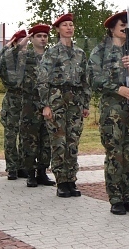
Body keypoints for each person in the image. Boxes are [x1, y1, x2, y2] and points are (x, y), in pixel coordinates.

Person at [88, 11, 129, 215]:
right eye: (122, 25)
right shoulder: (100, 51)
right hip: (113, 109)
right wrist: (118, 88)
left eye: (128, 25)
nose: (126, 28)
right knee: (115, 153)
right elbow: (93, 78)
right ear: (112, 28)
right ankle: (115, 199)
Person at [37, 13, 91, 198]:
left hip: (75, 102)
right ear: (58, 29)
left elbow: (85, 80)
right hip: (56, 100)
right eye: (65, 25)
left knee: (72, 142)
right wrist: (46, 105)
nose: (69, 27)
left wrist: (85, 103)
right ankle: (61, 181)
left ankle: (71, 180)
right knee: (59, 142)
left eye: (71, 25)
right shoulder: (51, 53)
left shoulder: (80, 54)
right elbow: (43, 80)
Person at [16, 23, 55, 188]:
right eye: (38, 36)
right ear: (31, 38)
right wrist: (20, 45)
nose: (43, 39)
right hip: (30, 105)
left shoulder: (52, 57)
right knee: (29, 139)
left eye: (45, 36)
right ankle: (30, 174)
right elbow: (2, 61)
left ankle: (42, 172)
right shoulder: (24, 56)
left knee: (47, 140)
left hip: (48, 104)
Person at [0, 29, 28, 180]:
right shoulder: (7, 61)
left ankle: (22, 166)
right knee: (11, 136)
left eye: (26, 42)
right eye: (21, 42)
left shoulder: (28, 58)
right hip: (12, 102)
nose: (25, 45)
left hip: (27, 102)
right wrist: (8, 47)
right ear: (15, 43)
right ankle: (12, 167)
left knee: (25, 136)